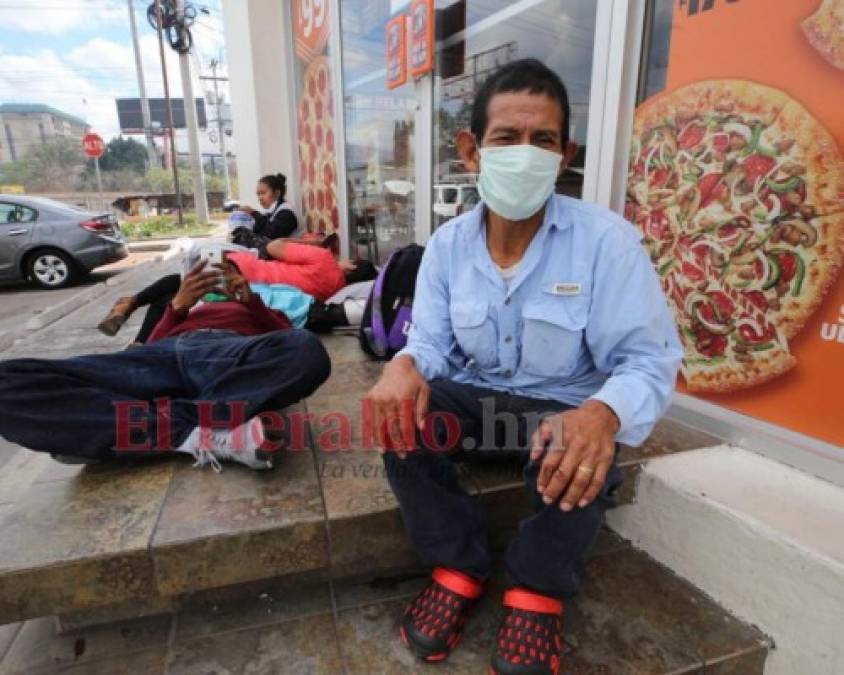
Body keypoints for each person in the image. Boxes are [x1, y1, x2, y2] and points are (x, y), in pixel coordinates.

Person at [364, 59, 682, 674]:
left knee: (589, 442)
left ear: (567, 155)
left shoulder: (607, 243)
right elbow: (429, 340)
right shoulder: (449, 246)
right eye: (507, 138)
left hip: (560, 417)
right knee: (400, 416)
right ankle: (457, 562)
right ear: (471, 150)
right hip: (479, 406)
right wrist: (404, 363)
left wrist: (602, 412)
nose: (525, 153)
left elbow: (646, 360)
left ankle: (538, 589)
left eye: (544, 140)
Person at [0, 259, 331, 471]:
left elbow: (287, 339)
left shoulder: (259, 302)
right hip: (162, 360)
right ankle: (198, 429)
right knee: (8, 380)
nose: (216, 284)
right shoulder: (185, 307)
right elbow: (153, 347)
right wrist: (177, 308)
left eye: (225, 275)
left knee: (306, 349)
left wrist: (252, 303)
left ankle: (124, 430)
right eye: (206, 278)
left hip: (228, 355)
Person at [231, 173, 301, 252]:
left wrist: (254, 213)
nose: (260, 198)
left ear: (277, 193)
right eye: (258, 194)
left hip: (290, 251)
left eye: (263, 193)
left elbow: (271, 235)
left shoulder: (287, 211)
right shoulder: (271, 212)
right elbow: (260, 231)